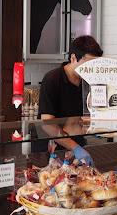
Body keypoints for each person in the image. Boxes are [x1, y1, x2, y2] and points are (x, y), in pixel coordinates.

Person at [37, 35, 103, 165]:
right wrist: (75, 147)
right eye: (88, 64)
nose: (91, 69)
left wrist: (96, 127)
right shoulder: (52, 79)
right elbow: (47, 124)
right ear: (73, 58)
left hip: (77, 149)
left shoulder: (88, 82)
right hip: (51, 152)